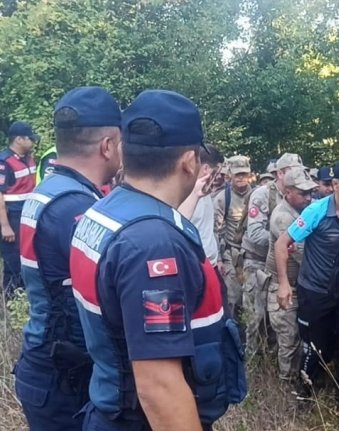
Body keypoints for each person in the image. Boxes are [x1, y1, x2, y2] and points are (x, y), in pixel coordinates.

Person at [70, 89, 245, 430]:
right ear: (190, 162)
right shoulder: (153, 243)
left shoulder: (107, 211)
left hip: (113, 409)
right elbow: (158, 386)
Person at [14, 86, 122, 430]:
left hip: (46, 365)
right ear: (108, 146)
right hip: (63, 379)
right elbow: (108, 296)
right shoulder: (74, 209)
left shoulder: (51, 190)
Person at [274, 158, 339, 401]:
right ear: (335, 185)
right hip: (315, 292)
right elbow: (281, 243)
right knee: (315, 349)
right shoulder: (316, 211)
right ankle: (304, 395)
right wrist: (284, 283)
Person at [242, 152, 303, 357]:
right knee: (256, 318)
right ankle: (253, 362)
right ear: (279, 173)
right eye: (290, 172)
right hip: (257, 262)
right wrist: (280, 244)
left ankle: (275, 360)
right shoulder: (263, 194)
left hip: (283, 265)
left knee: (280, 320)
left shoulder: (300, 195)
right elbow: (255, 233)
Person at [265, 167, 317, 381]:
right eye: (302, 193)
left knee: (299, 337)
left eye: (310, 193)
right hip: (284, 288)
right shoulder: (283, 217)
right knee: (289, 340)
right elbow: (303, 254)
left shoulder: (303, 211)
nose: (308, 198)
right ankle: (286, 385)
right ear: (287, 192)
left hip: (300, 286)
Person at [0, 121, 39, 296]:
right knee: (13, 261)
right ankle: (10, 298)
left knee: (26, 257)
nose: (33, 142)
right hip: (11, 217)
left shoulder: (29, 158)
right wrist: (5, 225)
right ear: (19, 140)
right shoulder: (4, 162)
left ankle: (22, 295)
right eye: (30, 139)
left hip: (26, 216)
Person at [213, 155, 252, 316]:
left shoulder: (259, 195)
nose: (241, 178)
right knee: (233, 297)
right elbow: (216, 230)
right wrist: (220, 259)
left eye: (244, 173)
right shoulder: (222, 198)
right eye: (238, 174)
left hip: (253, 255)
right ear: (230, 175)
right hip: (232, 254)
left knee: (253, 297)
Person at [179, 144, 224, 271]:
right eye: (217, 172)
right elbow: (179, 225)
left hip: (210, 263)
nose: (218, 177)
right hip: (196, 266)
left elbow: (210, 228)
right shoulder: (185, 193)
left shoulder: (206, 192)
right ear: (206, 169)